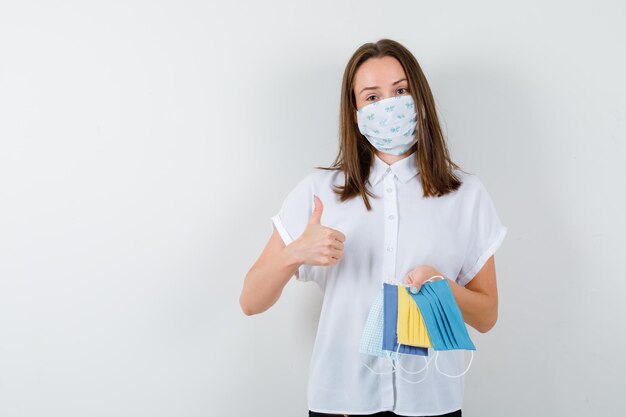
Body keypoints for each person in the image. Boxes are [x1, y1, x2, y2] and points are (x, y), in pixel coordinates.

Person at [239, 38, 508, 417]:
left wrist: (444, 291)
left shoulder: (466, 195)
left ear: (420, 100)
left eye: (401, 91)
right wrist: (295, 252)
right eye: (372, 97)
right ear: (355, 112)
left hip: (431, 405)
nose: (390, 106)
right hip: (341, 403)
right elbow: (251, 301)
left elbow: (487, 316)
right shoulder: (320, 194)